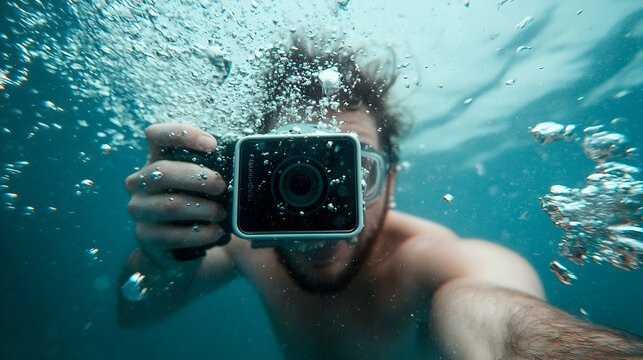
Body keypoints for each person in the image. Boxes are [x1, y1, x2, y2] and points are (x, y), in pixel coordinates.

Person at [120, 35, 643, 359]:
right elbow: (133, 314)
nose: (319, 205)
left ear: (389, 183)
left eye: (353, 172)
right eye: (291, 175)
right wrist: (166, 261)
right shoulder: (238, 243)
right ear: (253, 175)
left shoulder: (434, 262)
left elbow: (507, 325)